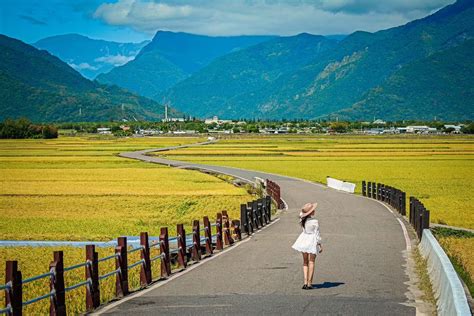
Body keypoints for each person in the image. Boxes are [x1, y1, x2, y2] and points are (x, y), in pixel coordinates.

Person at [291, 202, 323, 289]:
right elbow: (317, 234)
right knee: (311, 261)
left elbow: (301, 213)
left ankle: (305, 282)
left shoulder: (302, 220)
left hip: (303, 239)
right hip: (312, 240)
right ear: (311, 212)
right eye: (313, 210)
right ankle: (309, 283)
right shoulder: (315, 222)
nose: (314, 210)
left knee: (305, 262)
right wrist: (319, 244)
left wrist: (305, 212)